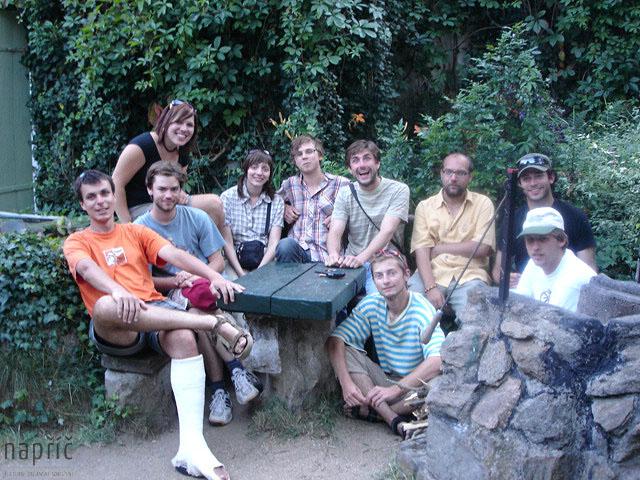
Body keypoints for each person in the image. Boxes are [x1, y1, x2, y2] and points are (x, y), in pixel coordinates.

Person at [63, 169, 249, 480]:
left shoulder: (134, 232)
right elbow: (85, 268)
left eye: (105, 193)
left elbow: (174, 254)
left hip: (155, 311)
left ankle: (191, 449)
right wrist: (117, 290)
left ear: (113, 196)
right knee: (107, 306)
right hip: (117, 326)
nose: (100, 201)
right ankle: (210, 323)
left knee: (184, 339)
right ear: (82, 204)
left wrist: (214, 276)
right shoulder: (77, 241)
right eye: (91, 197)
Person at [134, 161, 261, 426]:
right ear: (149, 190)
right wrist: (176, 282)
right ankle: (236, 370)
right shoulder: (139, 229)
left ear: (181, 190)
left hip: (204, 288)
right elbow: (143, 281)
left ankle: (218, 390)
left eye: (174, 189)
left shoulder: (197, 217)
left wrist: (196, 277)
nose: (168, 195)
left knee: (198, 306)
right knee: (196, 310)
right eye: (162, 189)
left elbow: (217, 261)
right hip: (169, 294)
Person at [326, 250, 444, 439]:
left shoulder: (422, 309)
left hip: (414, 384)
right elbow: (335, 340)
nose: (386, 281)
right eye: (379, 276)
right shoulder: (372, 304)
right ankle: (393, 420)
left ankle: (376, 413)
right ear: (374, 281)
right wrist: (346, 384)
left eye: (392, 273)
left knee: (438, 386)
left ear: (406, 275)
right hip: (384, 380)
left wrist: (395, 390)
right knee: (347, 351)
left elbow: (438, 360)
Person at [409, 153, 495, 324]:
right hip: (431, 274)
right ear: (441, 174)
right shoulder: (425, 207)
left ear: (470, 176)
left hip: (470, 277)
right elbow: (422, 251)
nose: (453, 178)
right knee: (409, 310)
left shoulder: (483, 204)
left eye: (461, 173)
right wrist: (430, 287)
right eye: (448, 172)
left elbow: (482, 248)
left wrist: (440, 248)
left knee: (476, 322)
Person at [112, 99, 224, 227]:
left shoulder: (183, 151)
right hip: (140, 209)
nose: (184, 129)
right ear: (165, 121)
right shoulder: (143, 145)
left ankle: (217, 240)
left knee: (215, 204)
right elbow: (116, 183)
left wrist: (180, 193)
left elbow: (177, 185)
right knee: (174, 216)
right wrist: (127, 224)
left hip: (169, 202)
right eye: (178, 122)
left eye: (189, 124)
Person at [492, 153, 597, 287]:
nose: (533, 183)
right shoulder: (512, 220)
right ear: (519, 183)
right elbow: (498, 272)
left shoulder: (575, 216)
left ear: (551, 177)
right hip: (525, 290)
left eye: (538, 176)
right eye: (526, 179)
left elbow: (589, 271)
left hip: (567, 288)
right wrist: (507, 279)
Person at [326, 140, 410, 293]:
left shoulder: (398, 190)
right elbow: (335, 231)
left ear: (377, 163)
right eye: (355, 160)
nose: (362, 165)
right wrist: (333, 254)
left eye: (367, 158)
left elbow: (387, 231)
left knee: (376, 299)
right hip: (352, 264)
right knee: (328, 298)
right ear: (350, 169)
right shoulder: (345, 193)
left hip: (385, 261)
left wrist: (361, 258)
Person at [275, 135, 350, 263]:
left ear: (320, 155)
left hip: (327, 256)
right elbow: (270, 201)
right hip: (297, 252)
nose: (304, 156)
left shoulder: (341, 184)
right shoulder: (290, 185)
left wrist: (340, 216)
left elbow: (358, 213)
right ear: (295, 161)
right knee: (285, 244)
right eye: (299, 154)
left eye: (309, 151)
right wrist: (284, 208)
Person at [512, 207, 596, 312]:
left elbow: (550, 320)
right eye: (530, 240)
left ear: (561, 240)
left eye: (543, 239)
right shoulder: (533, 264)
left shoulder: (574, 278)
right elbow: (518, 305)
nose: (535, 247)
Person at [220, 149, 284, 277]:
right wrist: (241, 274)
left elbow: (274, 244)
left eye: (265, 169)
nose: (259, 173)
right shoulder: (227, 198)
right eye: (254, 167)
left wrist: (258, 273)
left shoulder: (276, 201)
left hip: (264, 260)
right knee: (233, 285)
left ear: (270, 174)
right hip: (235, 260)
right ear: (246, 169)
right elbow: (227, 243)